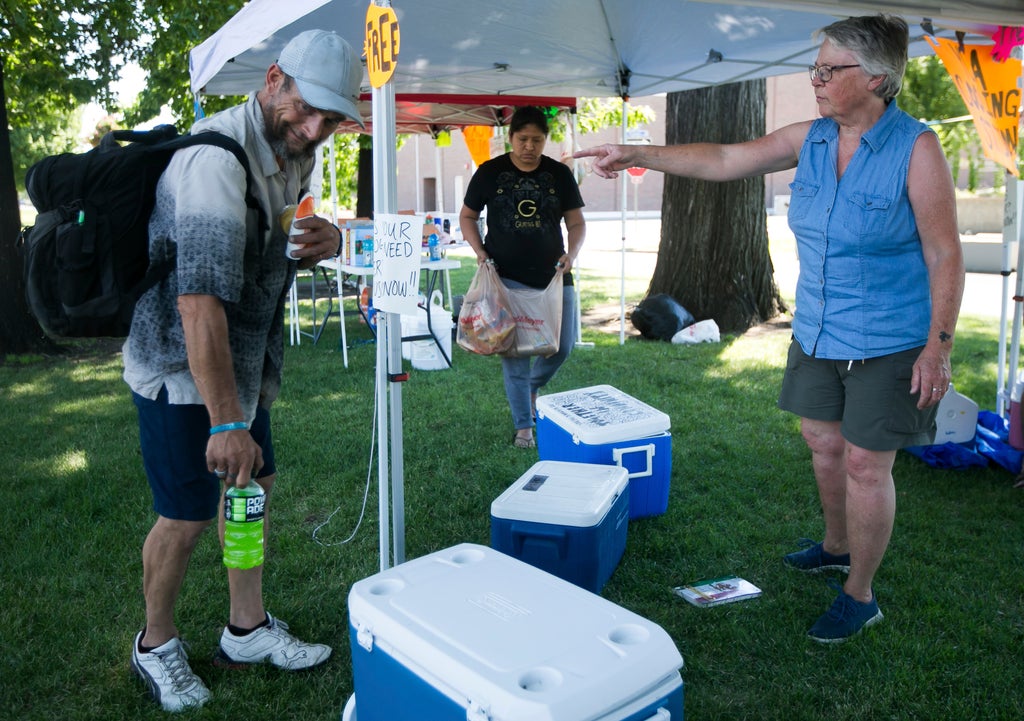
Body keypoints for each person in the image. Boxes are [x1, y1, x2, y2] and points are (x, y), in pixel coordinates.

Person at [576, 14, 964, 643]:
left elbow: (945, 253)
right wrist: (636, 152)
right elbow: (727, 158)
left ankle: (859, 594)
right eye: (816, 66)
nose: (814, 79)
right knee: (823, 441)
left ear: (875, 78)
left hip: (890, 338)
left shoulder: (916, 149)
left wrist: (937, 346)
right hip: (816, 331)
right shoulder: (811, 137)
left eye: (827, 69)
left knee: (867, 464)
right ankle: (837, 545)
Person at [123, 30, 364, 711]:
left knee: (253, 487)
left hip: (243, 362)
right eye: (307, 108)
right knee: (187, 513)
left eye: (331, 117)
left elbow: (274, 241)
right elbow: (198, 305)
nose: (315, 128)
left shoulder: (290, 152)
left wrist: (331, 239)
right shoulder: (214, 162)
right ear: (274, 80)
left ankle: (246, 628)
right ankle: (156, 642)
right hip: (180, 367)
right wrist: (227, 419)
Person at [459, 106, 587, 448]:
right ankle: (523, 428)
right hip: (505, 276)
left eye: (537, 140)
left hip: (555, 275)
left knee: (561, 346)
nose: (529, 146)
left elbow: (576, 223)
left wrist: (571, 255)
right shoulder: (489, 172)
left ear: (545, 139)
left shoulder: (559, 174)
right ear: (511, 137)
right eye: (523, 139)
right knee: (515, 353)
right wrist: (479, 250)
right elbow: (467, 216)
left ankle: (531, 387)